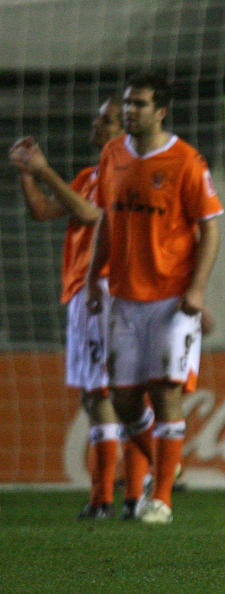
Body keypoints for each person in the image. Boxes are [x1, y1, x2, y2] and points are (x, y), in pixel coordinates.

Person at [85, 71, 223, 525]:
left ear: (160, 111)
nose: (130, 111)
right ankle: (168, 460)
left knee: (165, 395)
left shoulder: (186, 161)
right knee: (124, 399)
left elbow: (210, 229)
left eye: (139, 104)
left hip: (171, 300)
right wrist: (92, 278)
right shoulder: (112, 155)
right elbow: (105, 219)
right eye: (127, 103)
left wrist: (197, 289)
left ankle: (160, 497)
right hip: (124, 295)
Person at [8, 99, 136, 520]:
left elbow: (89, 215)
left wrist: (44, 170)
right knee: (100, 395)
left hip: (108, 288)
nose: (96, 124)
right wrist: (28, 175)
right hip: (85, 292)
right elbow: (44, 210)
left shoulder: (126, 173)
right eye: (97, 117)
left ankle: (115, 496)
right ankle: (124, 494)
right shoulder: (89, 175)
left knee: (108, 394)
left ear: (126, 128)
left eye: (108, 120)